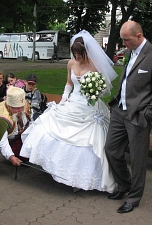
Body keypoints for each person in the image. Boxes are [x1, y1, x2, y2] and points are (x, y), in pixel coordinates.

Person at [20, 30, 118, 193]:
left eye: (79, 54)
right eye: (75, 53)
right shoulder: (71, 63)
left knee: (83, 141)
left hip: (88, 106)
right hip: (72, 102)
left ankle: (80, 178)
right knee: (50, 126)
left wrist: (93, 89)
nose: (77, 57)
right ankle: (57, 169)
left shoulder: (95, 65)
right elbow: (68, 83)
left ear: (86, 51)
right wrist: (64, 99)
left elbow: (103, 89)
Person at [104, 21, 152, 213]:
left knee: (138, 159)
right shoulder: (128, 53)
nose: (123, 43)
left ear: (139, 36)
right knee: (112, 150)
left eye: (126, 39)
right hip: (120, 111)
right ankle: (124, 185)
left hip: (139, 116)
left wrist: (148, 115)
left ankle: (133, 198)